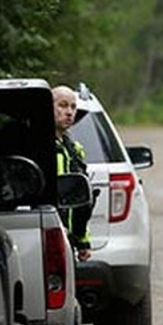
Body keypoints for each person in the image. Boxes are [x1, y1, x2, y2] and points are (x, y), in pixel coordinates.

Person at [52, 85, 93, 261]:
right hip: (47, 233)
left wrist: (82, 241)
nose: (69, 112)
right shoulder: (35, 147)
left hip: (67, 240)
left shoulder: (74, 150)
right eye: (62, 105)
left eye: (73, 107)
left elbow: (79, 203)